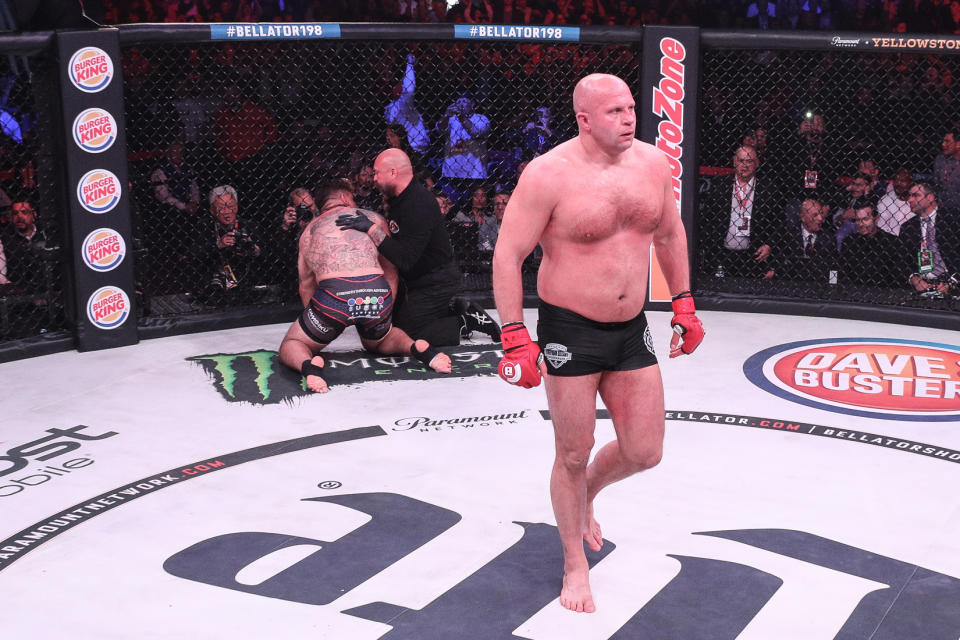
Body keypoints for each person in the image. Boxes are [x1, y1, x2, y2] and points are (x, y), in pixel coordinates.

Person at [491, 74, 704, 614]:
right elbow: (507, 254)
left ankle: (585, 494)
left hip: (632, 327)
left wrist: (683, 303)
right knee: (571, 451)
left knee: (644, 450)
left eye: (631, 108)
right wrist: (514, 335)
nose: (629, 118)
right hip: (570, 330)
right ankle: (574, 563)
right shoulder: (548, 175)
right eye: (613, 111)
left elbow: (670, 234)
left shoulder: (654, 165)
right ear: (584, 120)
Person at [278, 179, 451, 393]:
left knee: (293, 343)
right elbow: (390, 269)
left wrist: (319, 324)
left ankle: (309, 367)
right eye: (351, 197)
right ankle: (416, 348)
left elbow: (306, 285)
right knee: (380, 339)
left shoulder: (309, 231)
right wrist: (386, 309)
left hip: (334, 296)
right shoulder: (374, 219)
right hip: (376, 292)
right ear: (343, 197)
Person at [337, 148, 500, 345]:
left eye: (377, 173)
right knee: (387, 325)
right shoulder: (399, 198)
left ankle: (465, 320)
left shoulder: (417, 203)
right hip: (417, 279)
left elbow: (405, 260)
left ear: (393, 172)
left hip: (436, 281)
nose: (374, 179)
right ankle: (455, 308)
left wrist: (372, 229)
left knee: (406, 335)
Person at [701, 145, 778, 279]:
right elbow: (707, 219)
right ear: (734, 162)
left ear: (757, 163)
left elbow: (778, 222)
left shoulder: (768, 189)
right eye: (741, 161)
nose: (745, 165)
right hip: (721, 253)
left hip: (753, 255)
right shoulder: (720, 185)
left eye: (749, 161)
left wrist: (769, 244)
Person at [197, 185, 263, 305]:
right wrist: (218, 245)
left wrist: (254, 250)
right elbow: (195, 256)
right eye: (221, 208)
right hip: (214, 283)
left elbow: (267, 255)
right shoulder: (204, 227)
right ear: (212, 210)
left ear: (237, 207)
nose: (227, 212)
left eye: (231, 207)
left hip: (246, 282)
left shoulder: (249, 226)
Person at [901, 180, 959, 294]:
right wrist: (914, 278)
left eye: (916, 195)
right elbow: (902, 260)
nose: (910, 200)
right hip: (924, 284)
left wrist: (952, 282)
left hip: (953, 280)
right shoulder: (908, 227)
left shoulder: (953, 220)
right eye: (910, 196)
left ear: (930, 197)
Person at [769, 197, 838, 283]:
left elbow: (833, 268)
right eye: (815, 215)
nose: (820, 218)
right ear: (803, 217)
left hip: (818, 285)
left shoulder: (828, 239)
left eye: (821, 213)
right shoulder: (788, 235)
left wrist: (832, 285)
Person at [838, 202, 900, 287]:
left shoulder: (891, 243)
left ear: (876, 218)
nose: (860, 224)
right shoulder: (849, 242)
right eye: (857, 220)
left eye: (865, 219)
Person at [384, 53, 430, 156]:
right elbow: (409, 89)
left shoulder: (392, 108)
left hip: (413, 148)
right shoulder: (400, 105)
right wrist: (410, 64)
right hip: (413, 149)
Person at [876, 168, 915, 236]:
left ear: (911, 182)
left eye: (902, 180)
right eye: (895, 180)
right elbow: (882, 227)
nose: (898, 183)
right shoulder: (885, 200)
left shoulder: (918, 200)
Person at [933, 129, 960, 213]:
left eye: (947, 141)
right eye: (943, 141)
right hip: (943, 209)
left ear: (958, 144)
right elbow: (936, 183)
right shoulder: (940, 159)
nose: (943, 144)